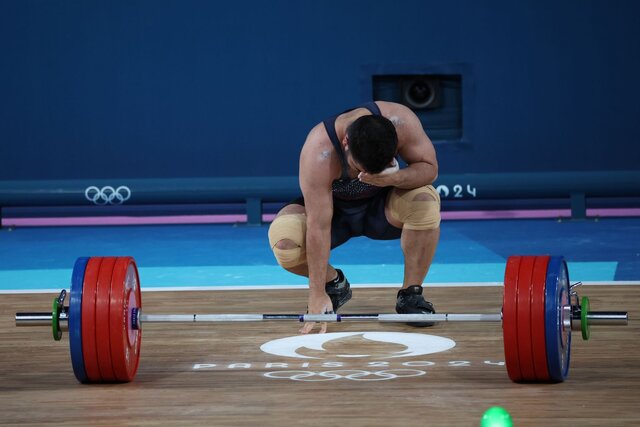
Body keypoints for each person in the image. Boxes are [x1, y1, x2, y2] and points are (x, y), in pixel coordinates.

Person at [268, 101, 440, 334]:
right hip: (335, 214)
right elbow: (318, 226)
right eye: (360, 167)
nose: (365, 176)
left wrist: (394, 178)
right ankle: (334, 284)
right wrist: (317, 292)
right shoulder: (319, 151)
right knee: (285, 242)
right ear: (345, 143)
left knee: (425, 202)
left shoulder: (401, 121)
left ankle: (410, 295)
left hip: (382, 209)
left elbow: (430, 169)